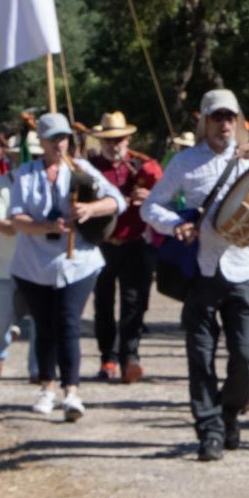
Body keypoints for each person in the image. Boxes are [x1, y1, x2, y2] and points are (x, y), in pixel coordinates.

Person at [142, 89, 249, 462]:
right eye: (217, 117)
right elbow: (152, 207)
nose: (224, 124)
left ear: (238, 121)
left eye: (230, 117)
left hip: (245, 268)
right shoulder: (185, 162)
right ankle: (209, 429)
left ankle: (230, 412)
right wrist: (175, 225)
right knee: (200, 355)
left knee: (245, 354)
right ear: (205, 121)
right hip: (202, 268)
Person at [8, 112, 124, 422]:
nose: (59, 144)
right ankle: (47, 385)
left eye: (64, 138)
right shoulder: (25, 174)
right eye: (53, 138)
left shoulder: (82, 170)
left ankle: (72, 390)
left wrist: (89, 208)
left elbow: (117, 202)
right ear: (42, 141)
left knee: (68, 322)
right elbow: (17, 218)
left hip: (77, 262)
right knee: (44, 325)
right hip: (34, 263)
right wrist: (48, 226)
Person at [87, 110, 163, 384]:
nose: (114, 145)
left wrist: (151, 196)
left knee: (135, 303)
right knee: (103, 303)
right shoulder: (90, 167)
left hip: (135, 243)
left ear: (128, 139)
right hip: (103, 245)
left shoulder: (144, 168)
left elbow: (169, 197)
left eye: (119, 139)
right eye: (108, 140)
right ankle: (108, 357)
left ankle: (130, 356)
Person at [0, 170, 36, 382]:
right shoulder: (1, 184)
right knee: (0, 319)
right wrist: (33, 226)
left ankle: (38, 367)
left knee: (41, 320)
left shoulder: (48, 183)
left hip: (37, 265)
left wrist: (21, 225)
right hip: (4, 266)